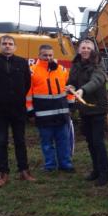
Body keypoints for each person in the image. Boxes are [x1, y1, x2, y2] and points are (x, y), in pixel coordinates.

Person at [0, 35, 34, 187]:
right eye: (4, 43)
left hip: (18, 108)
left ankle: (24, 171)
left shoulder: (22, 62)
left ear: (15, 47)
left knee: (20, 140)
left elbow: (27, 83)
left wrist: (16, 97)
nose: (7, 46)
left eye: (10, 44)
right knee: (1, 141)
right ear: (0, 46)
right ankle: (3, 173)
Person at [66, 39, 108, 186]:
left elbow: (96, 80)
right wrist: (70, 86)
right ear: (79, 50)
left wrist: (83, 90)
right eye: (83, 48)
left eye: (88, 48)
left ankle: (104, 173)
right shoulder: (76, 65)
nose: (85, 50)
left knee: (98, 142)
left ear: (93, 50)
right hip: (84, 110)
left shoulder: (98, 64)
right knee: (90, 142)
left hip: (97, 108)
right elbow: (71, 80)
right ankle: (96, 170)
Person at [26, 44, 75, 173]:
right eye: (45, 55)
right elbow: (28, 93)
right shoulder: (32, 71)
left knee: (63, 141)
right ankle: (50, 165)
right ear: (39, 55)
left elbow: (69, 89)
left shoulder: (62, 70)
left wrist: (71, 104)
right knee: (47, 143)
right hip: (43, 114)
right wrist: (30, 110)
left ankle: (65, 164)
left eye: (50, 55)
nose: (48, 58)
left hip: (62, 113)